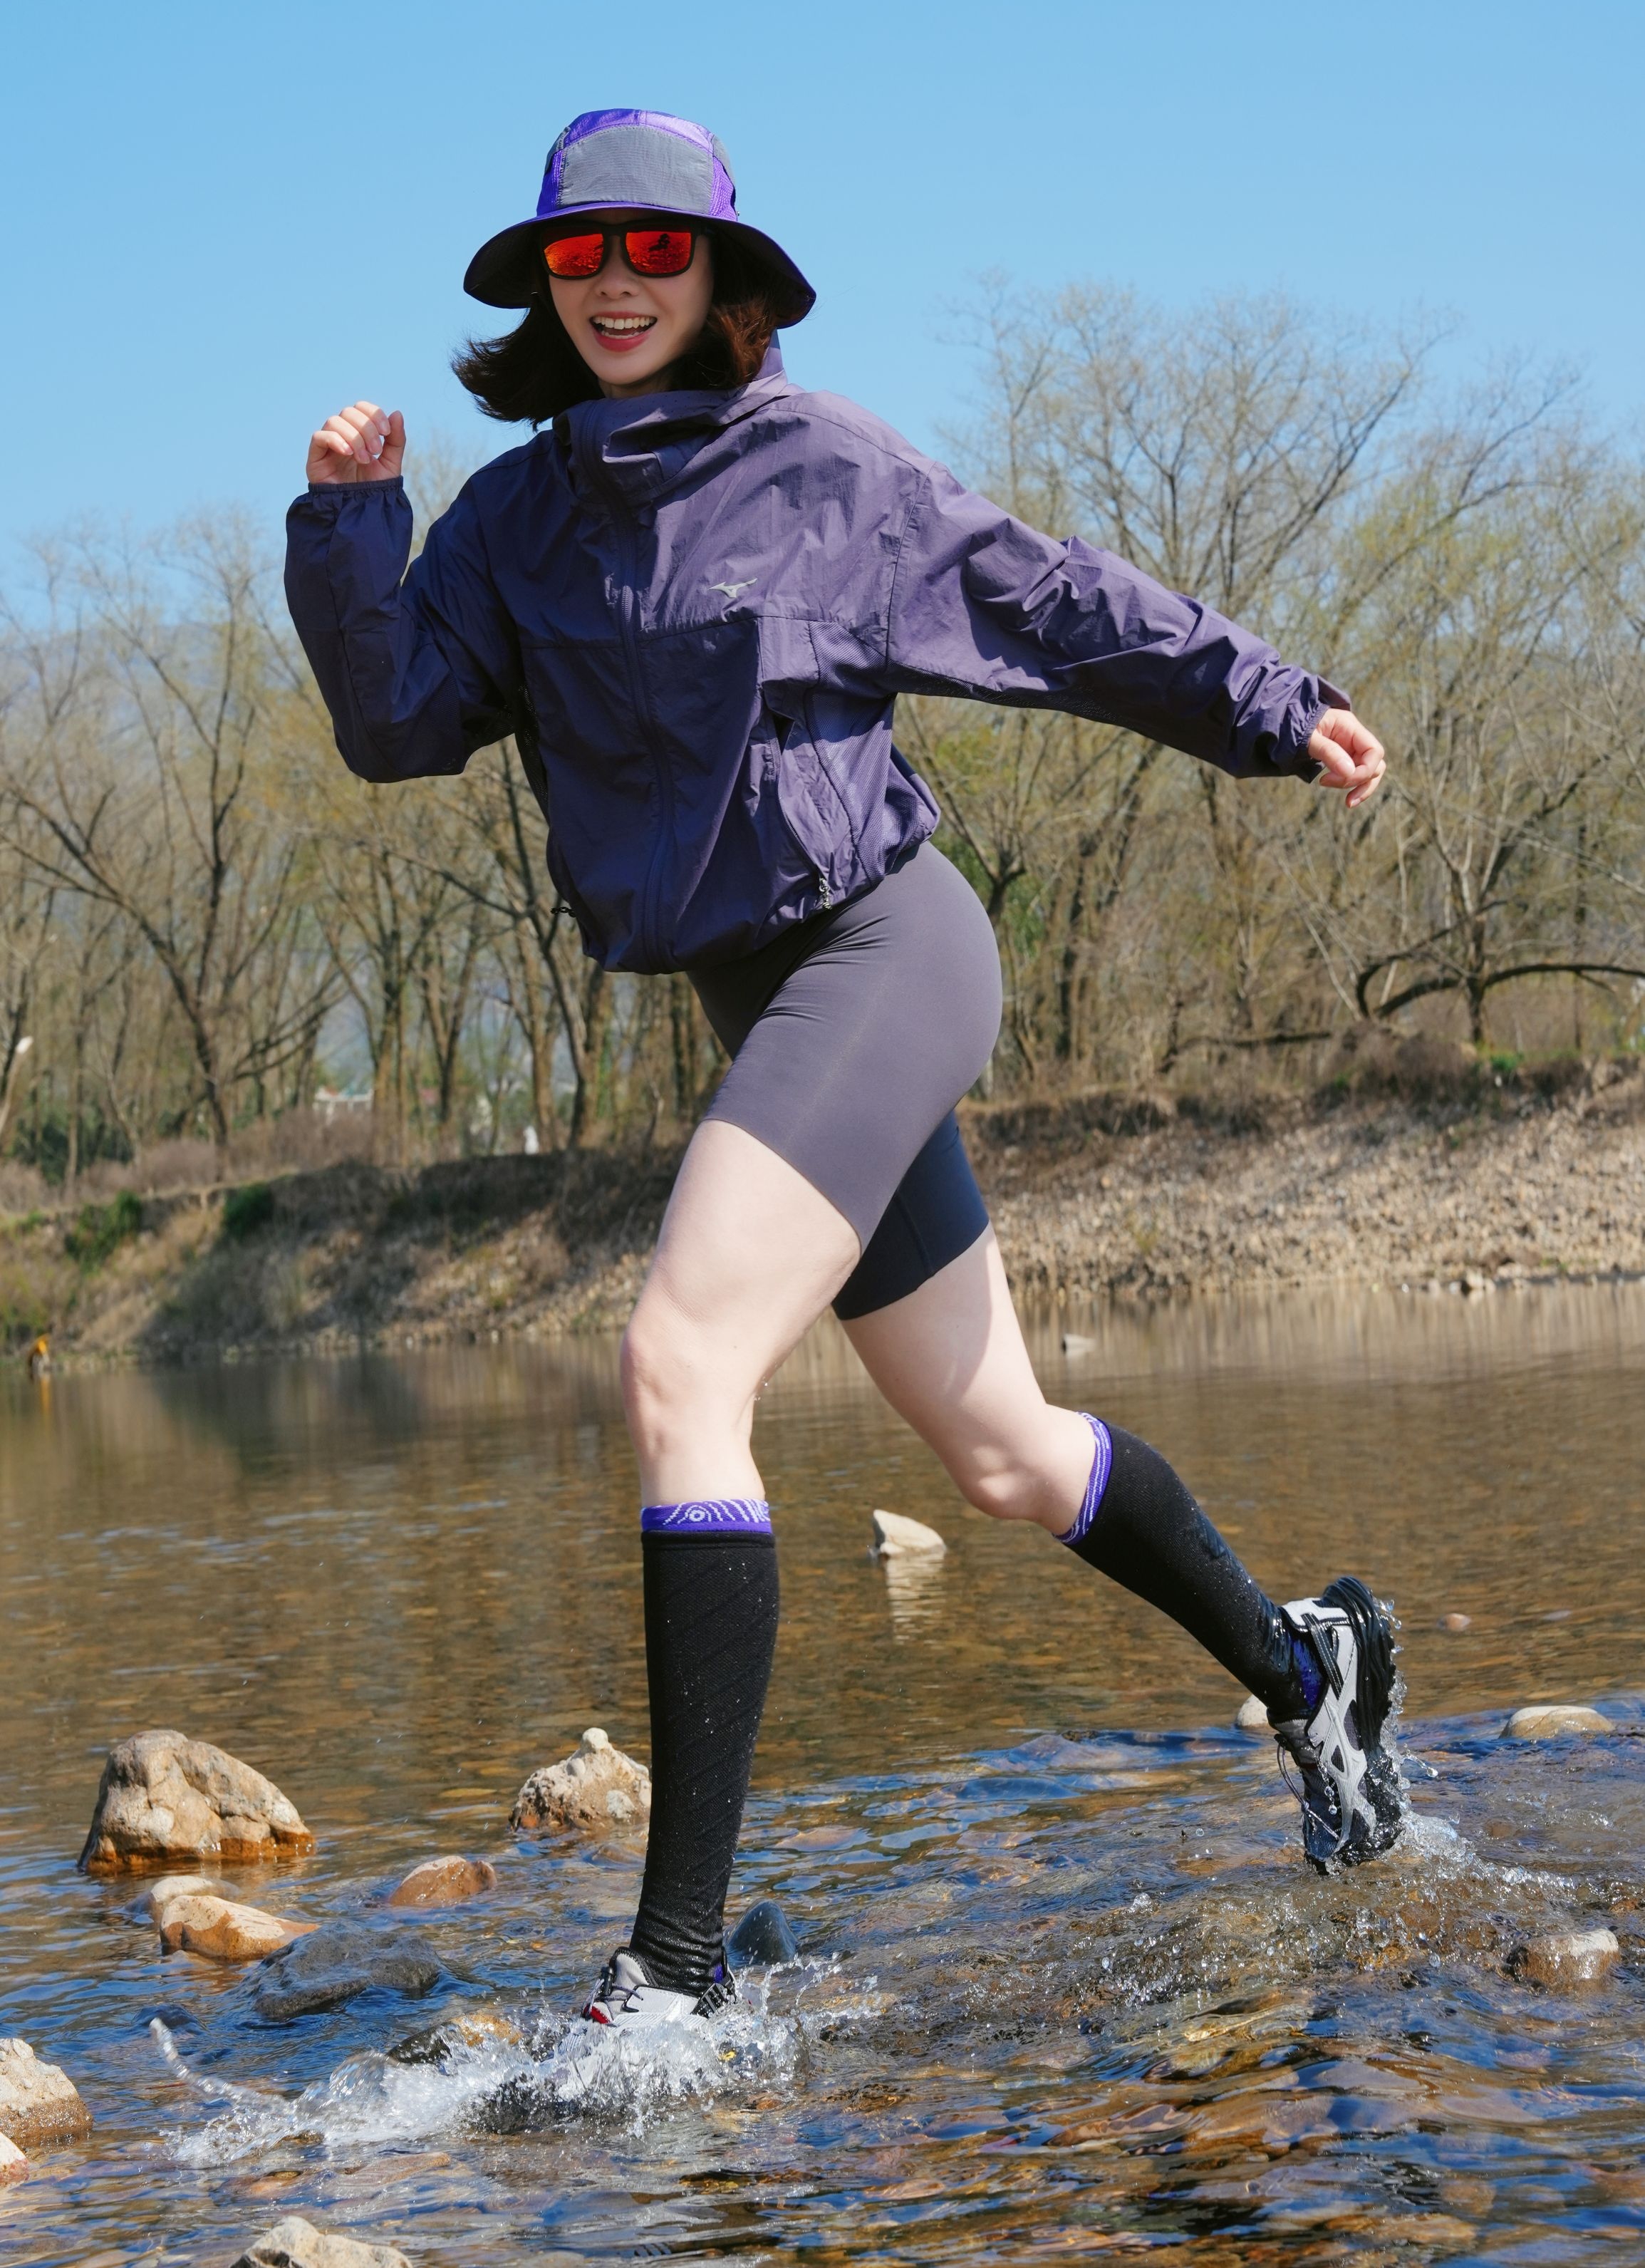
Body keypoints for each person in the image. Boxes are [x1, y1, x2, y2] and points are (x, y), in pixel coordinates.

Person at [286, 108, 1400, 2032]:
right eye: (579, 254)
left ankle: (674, 1971)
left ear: (721, 273)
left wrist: (1268, 702)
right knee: (1003, 1452)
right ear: (544, 285)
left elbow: (1050, 602)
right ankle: (1315, 1679)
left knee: (678, 1364)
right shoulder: (511, 524)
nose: (616, 282)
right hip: (767, 1004)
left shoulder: (823, 469)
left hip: (887, 951)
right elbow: (394, 723)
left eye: (655, 248)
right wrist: (347, 527)